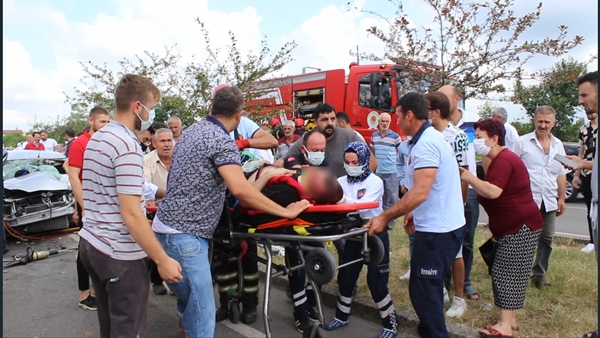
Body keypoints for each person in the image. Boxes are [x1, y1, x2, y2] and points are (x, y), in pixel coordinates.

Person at [153, 85, 310, 338]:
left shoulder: (191, 132)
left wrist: (265, 175)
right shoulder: (222, 141)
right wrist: (285, 212)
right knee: (203, 316)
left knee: (188, 302)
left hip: (164, 228)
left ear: (211, 108)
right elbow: (241, 191)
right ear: (239, 116)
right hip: (186, 236)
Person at [78, 74, 183, 338]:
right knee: (128, 330)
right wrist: (162, 260)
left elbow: (112, 192)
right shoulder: (127, 145)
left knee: (111, 327)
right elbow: (131, 213)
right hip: (119, 255)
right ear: (138, 107)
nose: (153, 113)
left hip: (93, 243)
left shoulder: (99, 138)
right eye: (152, 106)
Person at [366, 92, 465, 338]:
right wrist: (411, 211)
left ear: (410, 115)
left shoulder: (427, 143)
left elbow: (420, 191)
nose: (396, 121)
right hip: (436, 227)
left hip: (438, 232)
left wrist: (384, 217)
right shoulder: (422, 140)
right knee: (423, 289)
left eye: (398, 116)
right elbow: (426, 189)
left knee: (425, 293)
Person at [459, 118, 543, 338]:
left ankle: (504, 327)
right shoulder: (499, 159)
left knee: (506, 273)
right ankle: (510, 318)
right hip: (516, 225)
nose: (475, 142)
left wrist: (468, 177)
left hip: (519, 225)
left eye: (478, 137)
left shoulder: (504, 159)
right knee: (513, 272)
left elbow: (493, 191)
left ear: (494, 139)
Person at [241, 165, 343, 333]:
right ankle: (301, 313)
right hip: (256, 191)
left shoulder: (298, 188)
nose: (315, 169)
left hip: (293, 214)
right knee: (297, 262)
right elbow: (245, 201)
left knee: (317, 258)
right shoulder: (287, 191)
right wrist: (268, 175)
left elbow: (338, 197)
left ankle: (309, 305)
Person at [324, 142, 398, 338]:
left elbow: (362, 208)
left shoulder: (375, 182)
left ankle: (390, 324)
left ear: (365, 161)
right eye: (347, 162)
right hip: (352, 235)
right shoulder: (340, 181)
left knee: (377, 282)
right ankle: (341, 315)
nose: (351, 165)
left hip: (374, 235)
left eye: (355, 162)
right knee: (346, 278)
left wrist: (340, 200)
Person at [513, 106, 568, 289]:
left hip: (549, 201)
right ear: (534, 121)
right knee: (523, 240)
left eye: (547, 122)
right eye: (540, 121)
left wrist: (561, 197)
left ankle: (539, 275)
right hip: (527, 200)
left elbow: (561, 172)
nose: (543, 125)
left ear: (554, 123)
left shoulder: (558, 145)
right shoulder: (521, 142)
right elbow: (510, 168)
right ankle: (517, 274)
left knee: (547, 240)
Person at [426, 91, 469, 318]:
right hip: (432, 205)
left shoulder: (457, 137)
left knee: (456, 253)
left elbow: (464, 173)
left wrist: (460, 204)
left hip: (453, 206)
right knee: (436, 252)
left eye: (427, 109)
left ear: (436, 112)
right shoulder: (427, 136)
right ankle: (441, 288)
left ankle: (459, 298)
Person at [437, 85, 482, 301]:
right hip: (444, 191)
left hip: (469, 188)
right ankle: (443, 283)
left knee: (466, 239)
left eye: (445, 98)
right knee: (445, 238)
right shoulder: (435, 127)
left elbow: (486, 150)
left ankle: (465, 284)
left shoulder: (474, 121)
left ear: (457, 98)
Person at [67, 107, 110, 311]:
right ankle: (84, 294)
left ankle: (94, 290)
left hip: (101, 205)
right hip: (89, 206)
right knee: (84, 250)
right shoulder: (79, 144)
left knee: (95, 249)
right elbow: (74, 177)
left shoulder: (103, 143)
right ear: (90, 120)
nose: (105, 126)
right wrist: (83, 207)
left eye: (108, 122)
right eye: (102, 122)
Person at [275, 103, 375, 178]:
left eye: (333, 119)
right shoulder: (307, 139)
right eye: (324, 120)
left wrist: (357, 183)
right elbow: (280, 163)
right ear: (315, 122)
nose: (330, 123)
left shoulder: (351, 137)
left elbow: (373, 163)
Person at [143, 128, 174, 296]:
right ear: (154, 143)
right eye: (163, 141)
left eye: (169, 141)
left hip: (178, 207)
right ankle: (156, 278)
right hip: (157, 207)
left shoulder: (181, 158)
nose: (167, 145)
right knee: (157, 244)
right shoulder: (146, 160)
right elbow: (145, 185)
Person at [573, 72, 598, 253]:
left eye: (584, 95)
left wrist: (582, 164)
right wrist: (579, 168)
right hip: (591, 177)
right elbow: (582, 151)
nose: (580, 101)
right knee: (591, 209)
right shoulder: (584, 130)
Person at [370, 113, 402, 230]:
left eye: (386, 121)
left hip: (391, 171)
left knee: (393, 197)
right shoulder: (374, 136)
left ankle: (391, 221)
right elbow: (372, 152)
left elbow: (401, 152)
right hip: (379, 171)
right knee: (381, 196)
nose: (384, 123)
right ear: (379, 122)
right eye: (382, 121)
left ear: (390, 122)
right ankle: (383, 220)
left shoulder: (395, 137)